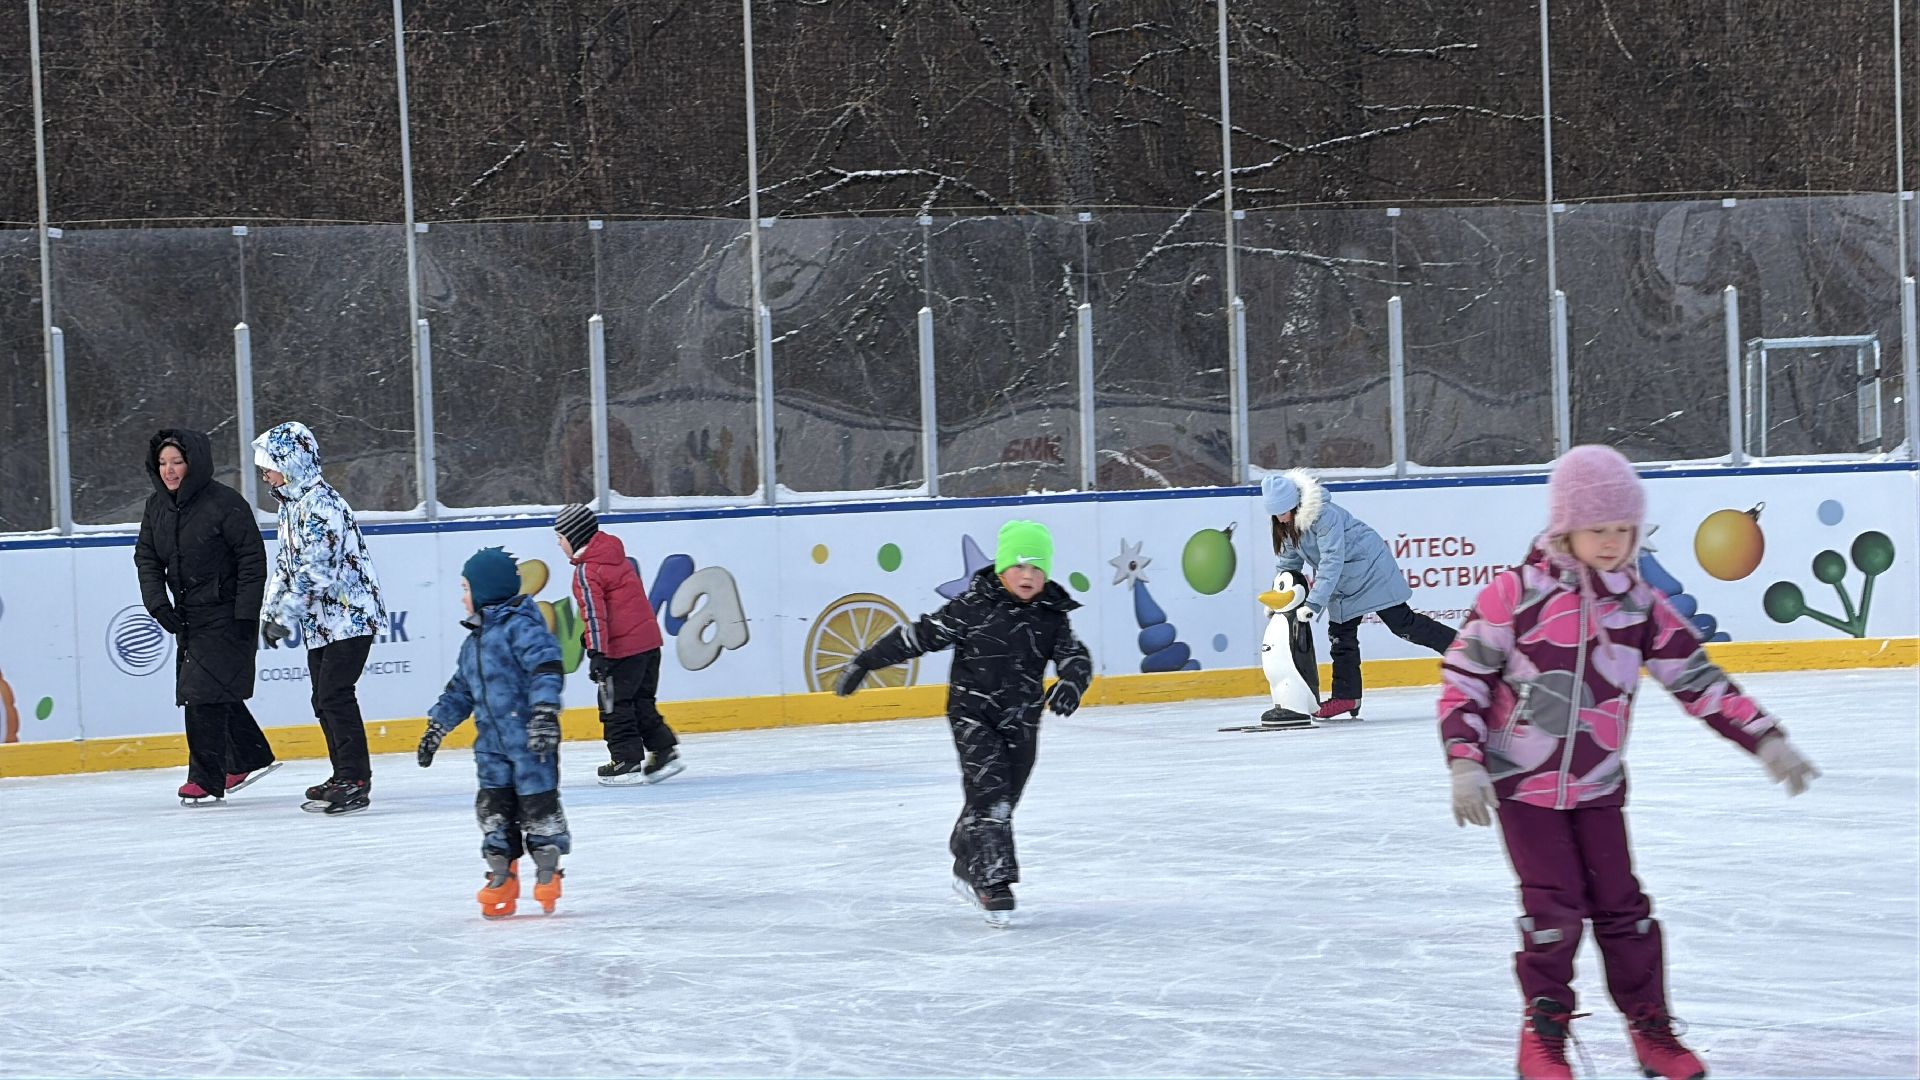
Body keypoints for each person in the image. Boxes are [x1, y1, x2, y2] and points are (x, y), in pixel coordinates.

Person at [1437, 444, 1822, 1080]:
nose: (1614, 543)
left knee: (1624, 907)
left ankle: (1652, 1031)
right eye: (1599, 530)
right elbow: (1464, 680)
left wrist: (1765, 737)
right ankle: (1543, 1035)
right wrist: (1464, 760)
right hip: (1524, 790)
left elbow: (1697, 679)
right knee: (1552, 911)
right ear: (1565, 527)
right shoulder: (1514, 596)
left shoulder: (1639, 605)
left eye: (1624, 530)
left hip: (1597, 787)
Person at [834, 519, 1093, 927]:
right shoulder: (971, 607)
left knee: (1001, 798)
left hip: (1022, 720)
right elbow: (917, 637)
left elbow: (1075, 656)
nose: (1029, 576)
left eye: (1038, 569)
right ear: (1002, 568)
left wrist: (1073, 682)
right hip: (973, 714)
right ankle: (992, 882)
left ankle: (965, 856)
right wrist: (865, 661)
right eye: (1020, 566)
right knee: (992, 797)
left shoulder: (1051, 616)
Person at [417, 547, 570, 918]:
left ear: (485, 590)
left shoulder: (522, 629)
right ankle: (501, 872)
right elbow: (459, 692)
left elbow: (546, 669)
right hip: (491, 748)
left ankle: (547, 865)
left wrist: (545, 714)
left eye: (466, 587)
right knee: (493, 809)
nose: (462, 596)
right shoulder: (474, 643)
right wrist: (437, 726)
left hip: (531, 741)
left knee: (538, 806)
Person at [133, 428, 279, 804]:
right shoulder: (157, 507)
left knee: (199, 694)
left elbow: (251, 559)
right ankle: (248, 756)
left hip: (227, 614)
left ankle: (205, 778)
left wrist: (245, 613)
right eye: (163, 463)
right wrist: (157, 604)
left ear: (193, 464)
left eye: (177, 462)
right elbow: (147, 558)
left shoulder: (224, 503)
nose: (169, 470)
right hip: (188, 614)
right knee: (214, 689)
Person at [253, 421, 387, 816]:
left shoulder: (323, 506)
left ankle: (355, 779)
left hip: (351, 615)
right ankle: (342, 773)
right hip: (322, 623)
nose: (265, 473)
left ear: (292, 463)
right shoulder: (290, 507)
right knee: (322, 698)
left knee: (335, 694)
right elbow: (284, 566)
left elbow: (317, 571)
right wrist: (271, 613)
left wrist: (287, 615)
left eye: (270, 464)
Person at [1262, 468, 1455, 718]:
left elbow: (1332, 560)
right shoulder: (1285, 524)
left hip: (1370, 569)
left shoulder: (1323, 515)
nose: (1280, 519)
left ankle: (1464, 651)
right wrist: (1280, 598)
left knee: (1403, 624)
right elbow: (1288, 564)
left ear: (1296, 504)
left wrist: (1314, 602)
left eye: (1283, 511)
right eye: (1275, 514)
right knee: (1340, 636)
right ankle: (1347, 697)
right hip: (1343, 581)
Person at [555, 503, 682, 785]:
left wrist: (597, 652)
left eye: (560, 537)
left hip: (621, 651)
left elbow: (594, 613)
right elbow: (623, 608)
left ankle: (626, 761)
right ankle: (664, 751)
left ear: (575, 537)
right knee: (641, 701)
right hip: (648, 645)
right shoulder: (615, 557)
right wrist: (590, 639)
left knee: (614, 704)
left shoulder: (587, 571)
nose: (558, 543)